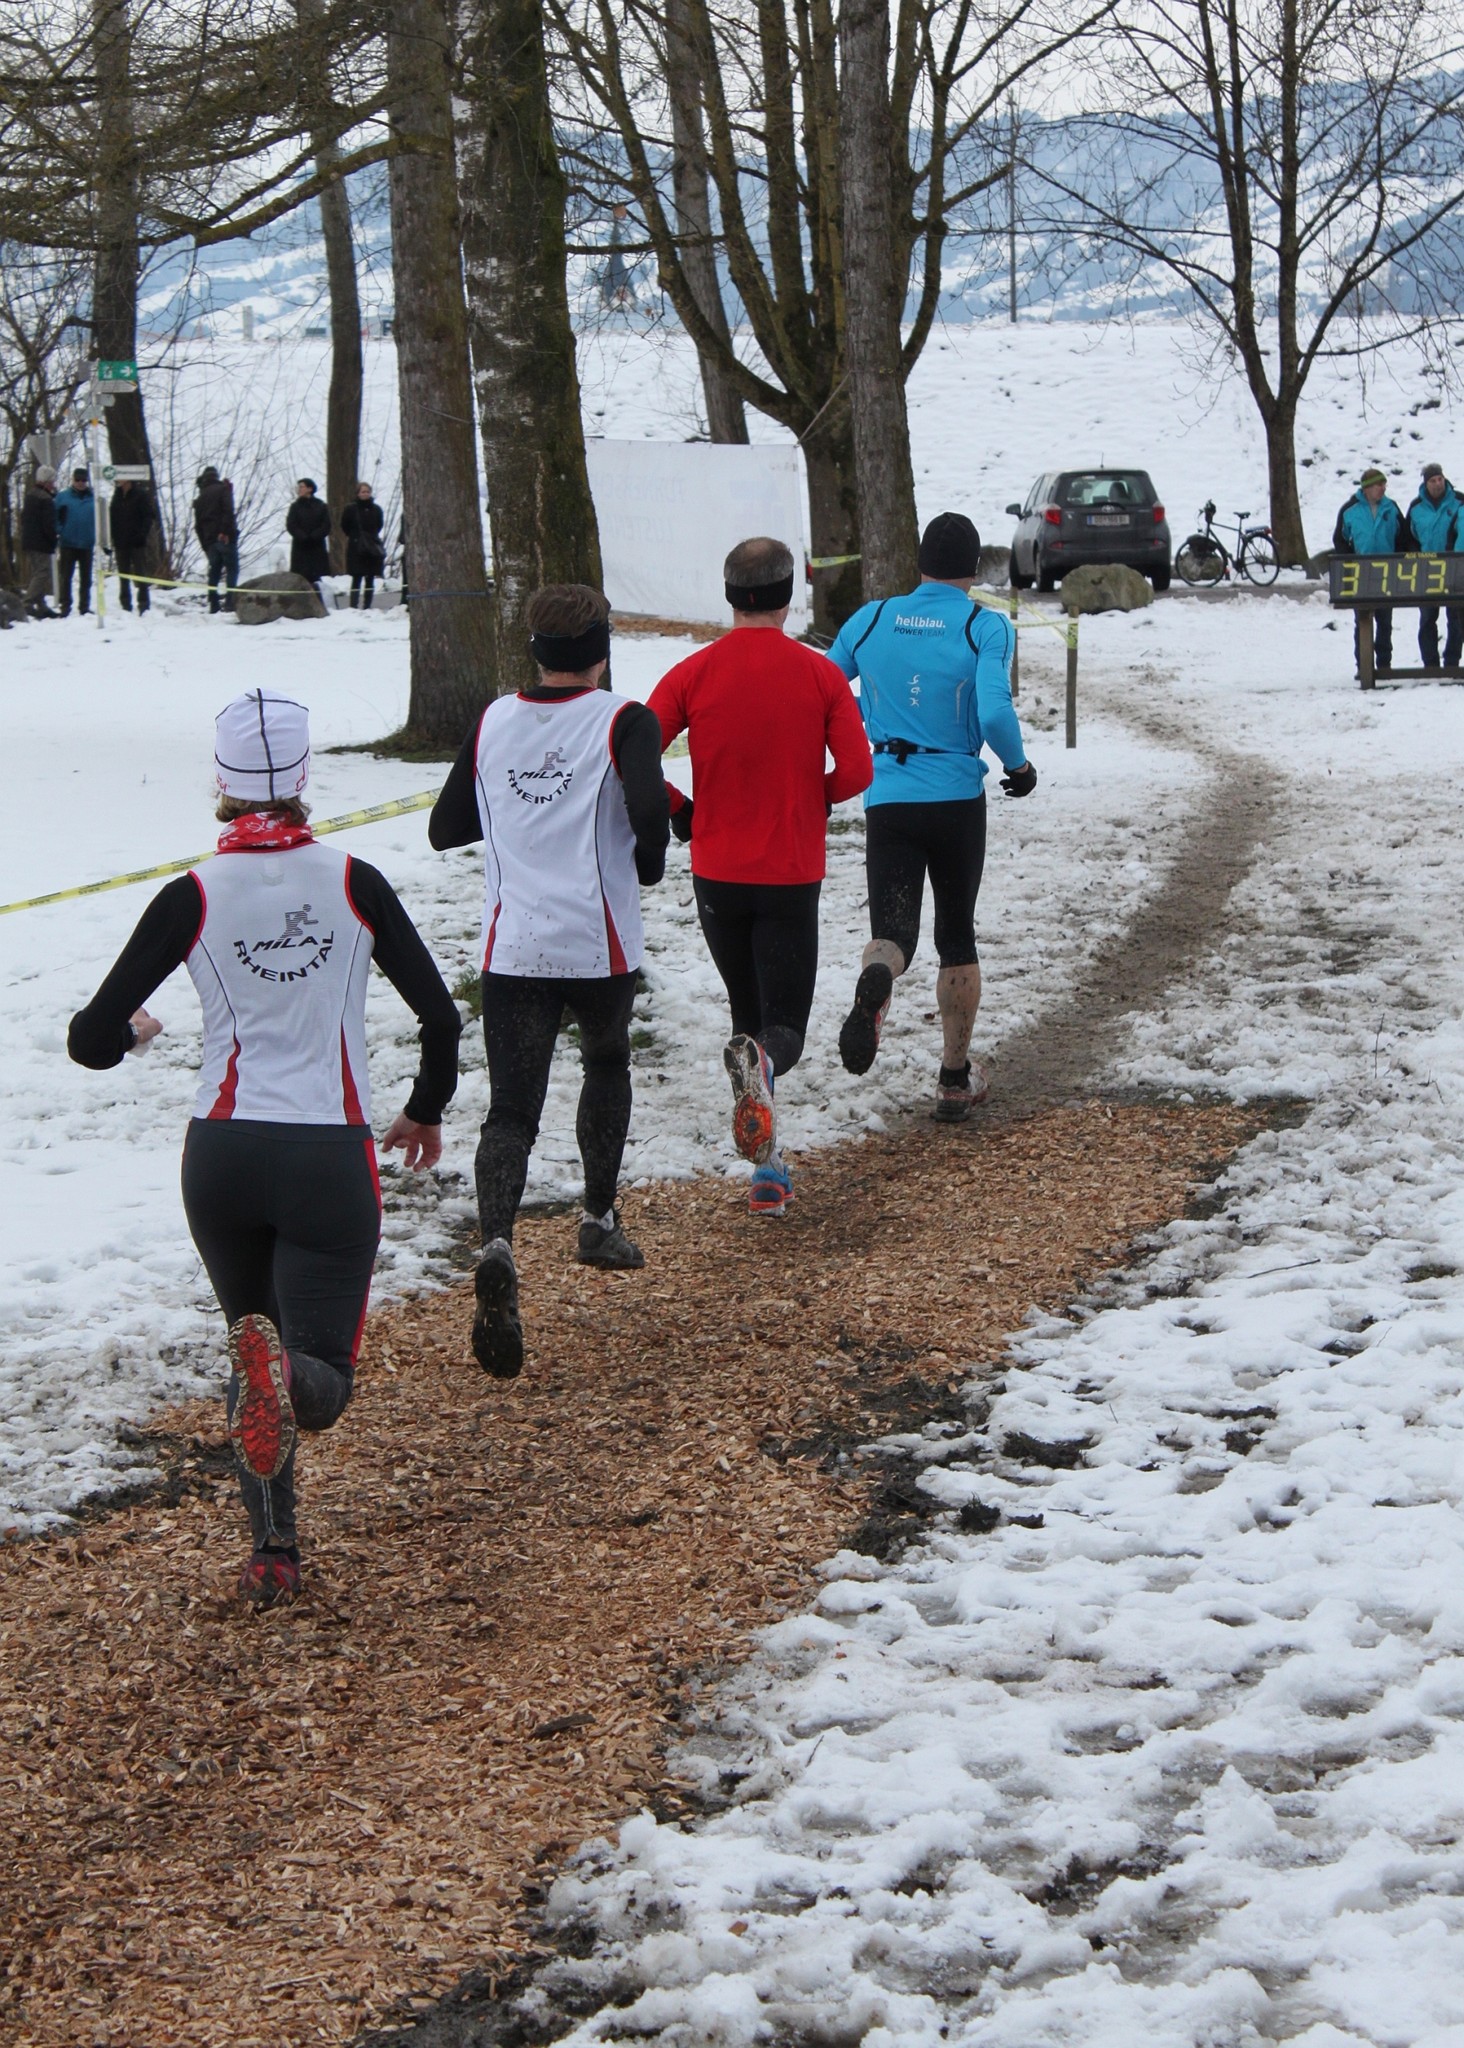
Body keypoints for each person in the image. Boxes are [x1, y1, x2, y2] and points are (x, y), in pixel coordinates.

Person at [67, 691, 462, 1606]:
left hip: (222, 1156)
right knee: (313, 1377)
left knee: (252, 1342)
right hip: (329, 1154)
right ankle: (287, 1382)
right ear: (304, 779)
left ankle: (272, 1552)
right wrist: (424, 1108)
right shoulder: (355, 880)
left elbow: (89, 1039)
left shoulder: (192, 895)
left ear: (220, 781)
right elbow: (440, 1016)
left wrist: (136, 1033)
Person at [427, 584, 670, 1378]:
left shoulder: (494, 719)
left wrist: (517, 815)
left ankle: (497, 1239)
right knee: (605, 1065)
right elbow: (648, 814)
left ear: (533, 648)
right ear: (602, 646)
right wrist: (650, 863)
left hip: (514, 945)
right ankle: (597, 1220)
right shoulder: (624, 719)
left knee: (509, 1111)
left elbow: (444, 827)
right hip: (597, 944)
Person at [648, 537, 872, 1216]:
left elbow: (627, 754)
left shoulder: (691, 674)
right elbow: (859, 773)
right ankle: (766, 1146)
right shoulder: (820, 676)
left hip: (716, 872)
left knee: (746, 1026)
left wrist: (681, 808)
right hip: (788, 870)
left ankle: (768, 1171)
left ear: (729, 595)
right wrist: (811, 796)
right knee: (782, 1034)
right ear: (787, 596)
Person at [828, 512, 1036, 1121]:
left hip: (888, 795)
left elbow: (827, 685)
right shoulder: (984, 625)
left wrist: (869, 714)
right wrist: (1019, 768)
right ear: (974, 570)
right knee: (956, 935)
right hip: (954, 797)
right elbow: (995, 710)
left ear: (918, 564)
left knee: (893, 933)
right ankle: (952, 1079)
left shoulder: (871, 618)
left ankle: (878, 981)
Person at [1333, 466, 1413, 675]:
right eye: (1379, 485)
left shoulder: (1391, 508)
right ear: (1366, 488)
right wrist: (1350, 564)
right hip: (1362, 574)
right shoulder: (1349, 510)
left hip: (1388, 572)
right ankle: (1364, 666)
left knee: (1385, 622)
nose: (1382, 488)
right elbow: (1340, 540)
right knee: (1363, 622)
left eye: (1384, 484)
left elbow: (1402, 538)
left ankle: (1384, 664)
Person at [1406, 462, 1462, 671]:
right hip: (1426, 569)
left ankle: (1452, 662)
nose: (1437, 484)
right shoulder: (1416, 507)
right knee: (1428, 618)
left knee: (1456, 619)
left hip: (1456, 568)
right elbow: (1408, 536)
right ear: (1425, 483)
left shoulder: (1459, 502)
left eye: (1439, 479)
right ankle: (1430, 664)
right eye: (1432, 481)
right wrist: (1416, 555)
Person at [193, 466, 239, 613]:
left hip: (209, 540)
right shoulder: (223, 489)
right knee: (232, 568)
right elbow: (228, 511)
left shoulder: (200, 498)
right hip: (224, 537)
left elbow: (198, 525)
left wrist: (205, 545)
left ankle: (213, 603)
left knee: (215, 571)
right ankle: (230, 601)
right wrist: (225, 531)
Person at [109, 479, 157, 614]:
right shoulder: (116, 496)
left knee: (141, 573)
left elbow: (149, 516)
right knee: (123, 575)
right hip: (121, 542)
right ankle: (125, 604)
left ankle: (143, 604)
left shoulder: (140, 495)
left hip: (137, 542)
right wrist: (111, 537)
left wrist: (142, 534)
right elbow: (112, 518)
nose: (118, 481)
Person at [54, 467, 96, 615]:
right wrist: (60, 530)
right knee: (66, 576)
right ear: (73, 480)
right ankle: (65, 606)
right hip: (68, 543)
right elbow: (54, 516)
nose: (80, 483)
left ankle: (84, 606)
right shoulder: (63, 497)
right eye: (77, 480)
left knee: (86, 578)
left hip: (87, 543)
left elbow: (102, 519)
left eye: (83, 480)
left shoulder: (93, 498)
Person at [341, 481, 386, 611]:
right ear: (358, 494)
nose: (365, 494)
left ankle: (367, 605)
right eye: (363, 491)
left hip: (371, 547)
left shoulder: (376, 509)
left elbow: (379, 525)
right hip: (356, 547)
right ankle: (353, 605)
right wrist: (356, 537)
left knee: (370, 577)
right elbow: (345, 526)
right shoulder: (350, 509)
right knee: (356, 577)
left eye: (367, 491)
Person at [20, 465, 58, 618]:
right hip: (40, 542)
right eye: (52, 481)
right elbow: (48, 524)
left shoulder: (30, 496)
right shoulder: (45, 499)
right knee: (42, 573)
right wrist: (53, 538)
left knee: (37, 572)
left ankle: (41, 604)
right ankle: (27, 602)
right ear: (46, 481)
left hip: (29, 541)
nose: (54, 484)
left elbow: (24, 519)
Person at [287, 477, 332, 597]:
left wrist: (315, 535)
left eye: (302, 487)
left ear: (310, 489)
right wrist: (302, 536)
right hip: (300, 546)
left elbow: (326, 525)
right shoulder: (295, 507)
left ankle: (318, 601)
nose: (299, 490)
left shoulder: (321, 505)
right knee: (300, 576)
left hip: (316, 546)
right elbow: (291, 525)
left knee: (315, 576)